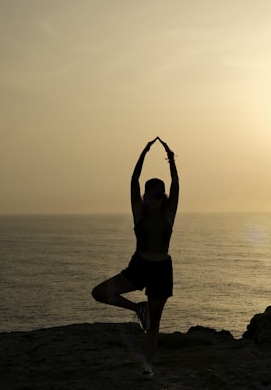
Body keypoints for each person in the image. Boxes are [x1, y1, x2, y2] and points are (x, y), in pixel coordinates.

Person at [92, 136, 179, 379]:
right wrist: (144, 152)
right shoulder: (138, 213)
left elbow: (176, 182)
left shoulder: (169, 214)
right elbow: (133, 180)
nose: (156, 200)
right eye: (152, 196)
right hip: (139, 266)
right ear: (145, 196)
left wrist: (171, 159)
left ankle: (147, 364)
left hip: (161, 270)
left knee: (154, 323)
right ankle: (137, 308)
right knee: (100, 293)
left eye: (160, 196)